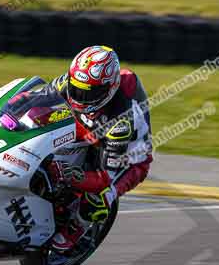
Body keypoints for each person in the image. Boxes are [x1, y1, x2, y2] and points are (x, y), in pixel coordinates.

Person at [46, 45, 153, 251]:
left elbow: (105, 177)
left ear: (109, 89)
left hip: (129, 160)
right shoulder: (75, 80)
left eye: (89, 93)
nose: (79, 97)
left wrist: (72, 176)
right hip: (91, 130)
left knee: (102, 195)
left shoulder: (122, 121)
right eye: (76, 88)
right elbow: (39, 96)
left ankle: (79, 226)